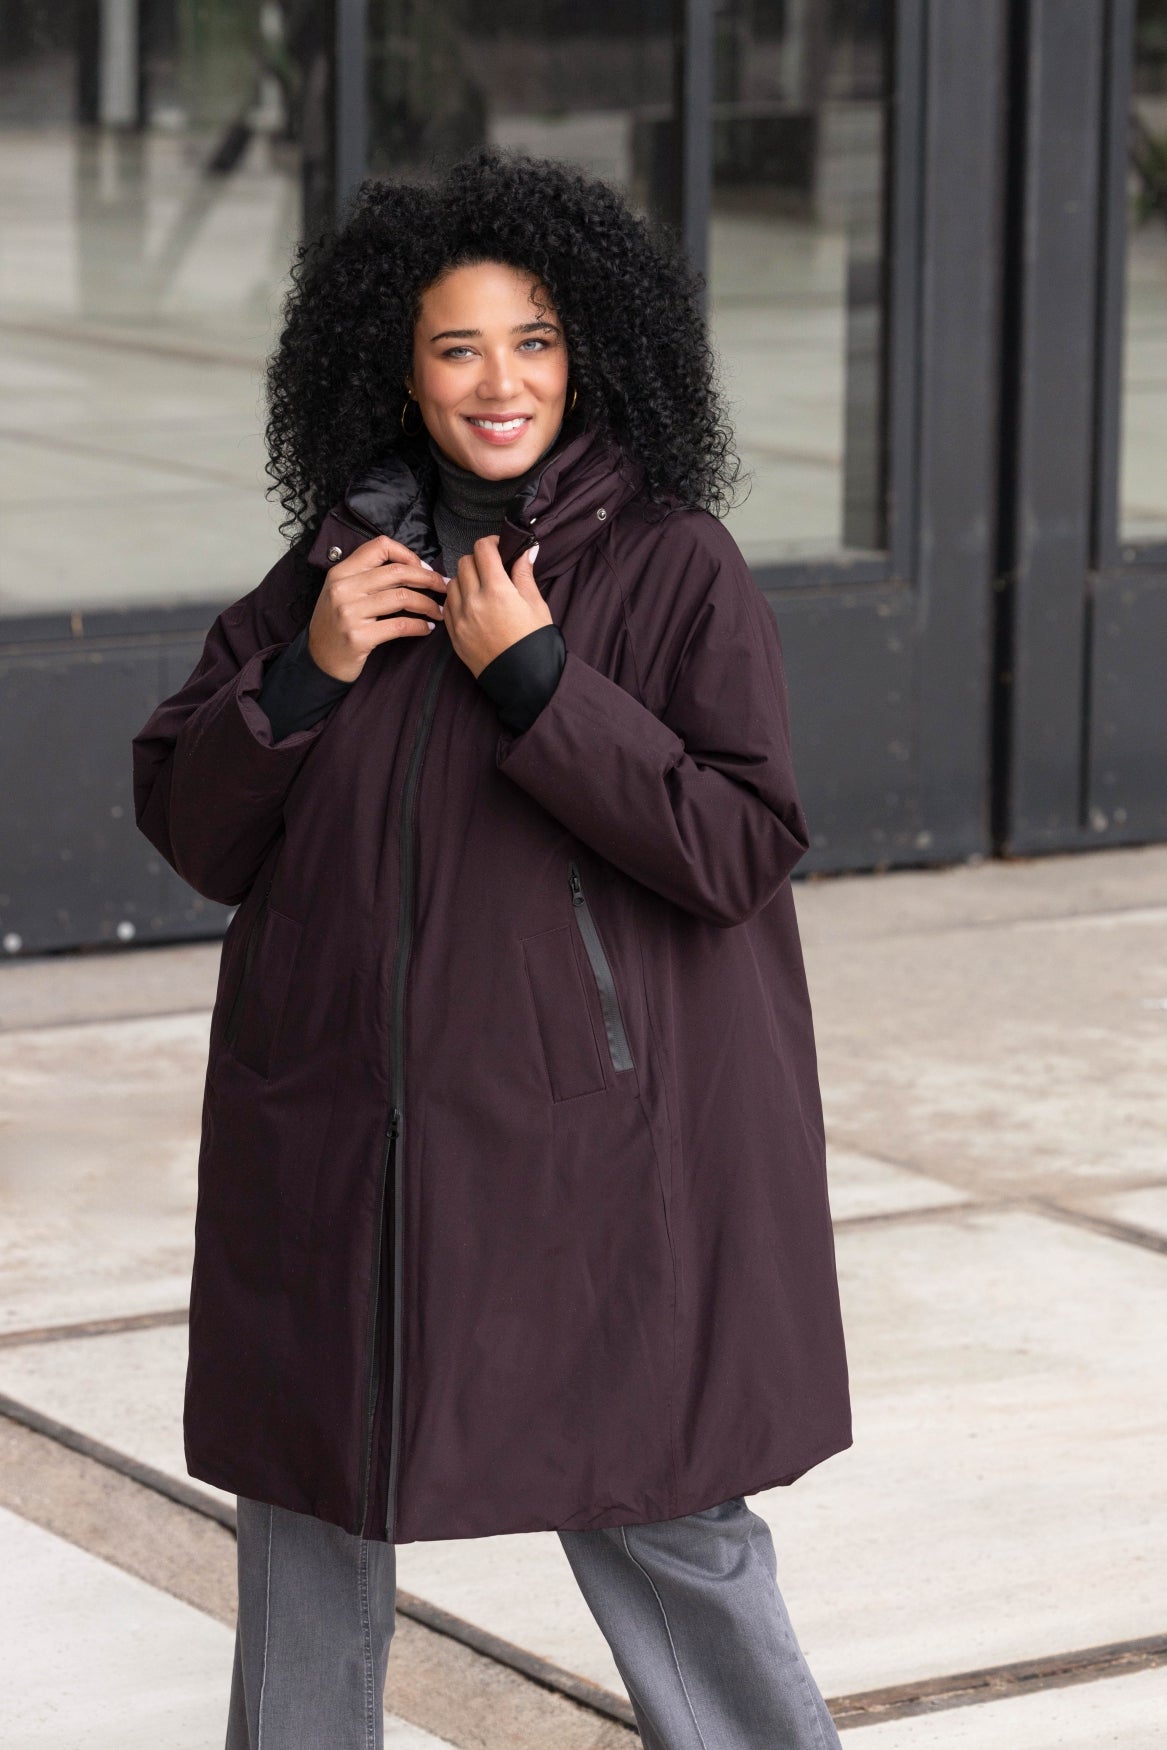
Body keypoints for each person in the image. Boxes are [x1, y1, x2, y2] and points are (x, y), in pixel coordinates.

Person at [132, 147, 851, 1750]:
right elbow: (192, 824)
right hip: (340, 1133)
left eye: (533, 340)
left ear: (588, 352)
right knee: (310, 1495)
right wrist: (305, 674)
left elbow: (739, 840)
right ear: (401, 370)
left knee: (661, 1504)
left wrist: (540, 682)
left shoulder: (671, 564)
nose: (499, 381)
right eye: (457, 347)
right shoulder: (331, 570)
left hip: (587, 1146)